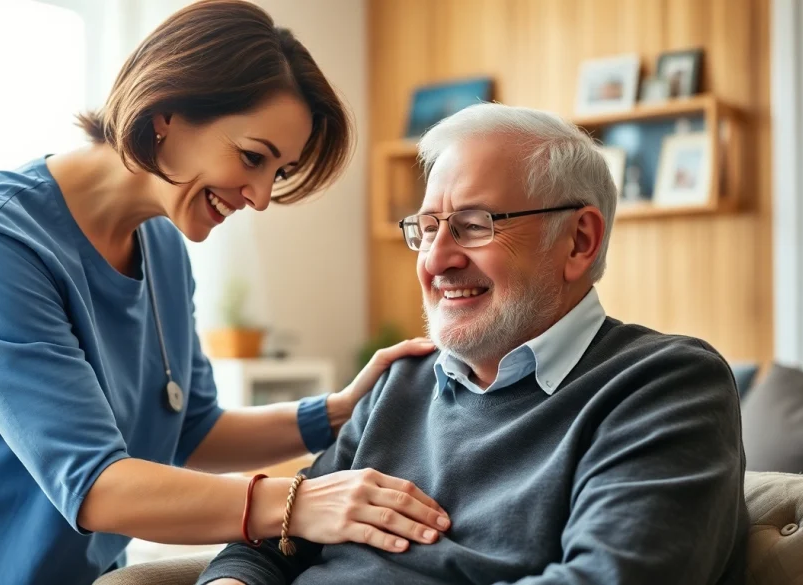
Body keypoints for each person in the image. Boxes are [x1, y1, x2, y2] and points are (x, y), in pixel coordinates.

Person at [0, 2, 448, 585]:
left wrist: (338, 412)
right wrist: (299, 502)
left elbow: (191, 430)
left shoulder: (164, 247)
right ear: (168, 114)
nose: (260, 197)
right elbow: (97, 486)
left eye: (278, 173)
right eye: (253, 157)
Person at [196, 103, 748, 585]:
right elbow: (273, 541)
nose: (436, 260)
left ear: (579, 240)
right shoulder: (402, 382)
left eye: (474, 225)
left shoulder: (665, 384)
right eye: (428, 228)